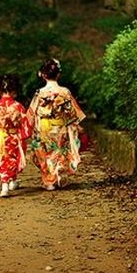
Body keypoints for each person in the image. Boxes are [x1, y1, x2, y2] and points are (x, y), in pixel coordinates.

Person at [27, 59, 86, 190]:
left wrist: (31, 126)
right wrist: (75, 126)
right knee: (60, 149)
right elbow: (72, 112)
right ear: (58, 75)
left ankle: (49, 181)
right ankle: (59, 169)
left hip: (44, 126)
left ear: (43, 75)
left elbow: (32, 112)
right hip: (60, 125)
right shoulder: (65, 91)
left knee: (45, 152)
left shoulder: (40, 93)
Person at [0, 74, 33, 198]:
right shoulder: (18, 106)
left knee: (2, 159)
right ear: (15, 90)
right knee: (12, 158)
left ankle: (9, 183)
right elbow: (25, 125)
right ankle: (6, 185)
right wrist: (23, 134)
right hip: (13, 136)